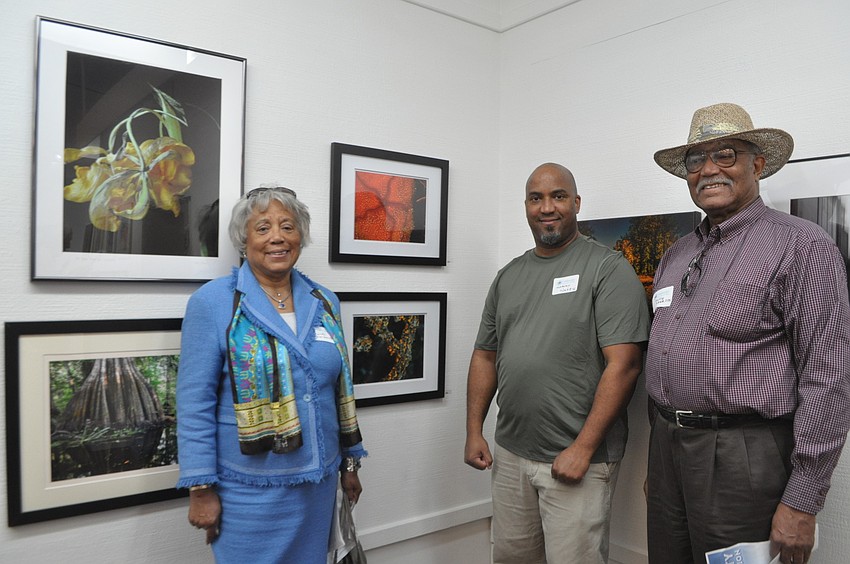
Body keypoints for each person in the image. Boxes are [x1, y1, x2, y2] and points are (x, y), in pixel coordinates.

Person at [646, 103, 850, 564]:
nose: (708, 169)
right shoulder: (675, 255)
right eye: (696, 159)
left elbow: (828, 378)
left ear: (757, 164)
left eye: (725, 154)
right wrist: (658, 459)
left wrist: (803, 499)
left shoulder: (802, 246)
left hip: (743, 457)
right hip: (666, 451)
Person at [464, 163, 650, 563]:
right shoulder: (508, 276)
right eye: (536, 198)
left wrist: (582, 448)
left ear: (576, 203)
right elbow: (484, 355)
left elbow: (625, 365)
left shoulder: (608, 269)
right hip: (511, 454)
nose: (547, 207)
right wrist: (474, 430)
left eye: (558, 196)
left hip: (578, 459)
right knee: (511, 559)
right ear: (526, 207)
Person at [176, 186, 366, 564]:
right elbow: (194, 402)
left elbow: (337, 389)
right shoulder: (213, 302)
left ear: (300, 236)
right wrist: (201, 488)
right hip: (248, 490)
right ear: (243, 240)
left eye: (287, 226)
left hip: (318, 483)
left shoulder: (324, 300)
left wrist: (349, 464)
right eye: (263, 228)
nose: (277, 237)